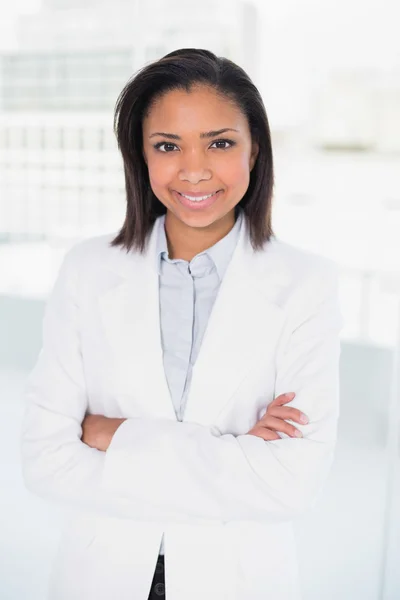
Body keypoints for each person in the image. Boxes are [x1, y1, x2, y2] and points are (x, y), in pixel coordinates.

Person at [20, 48, 344, 600]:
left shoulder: (306, 284)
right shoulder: (88, 271)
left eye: (220, 143)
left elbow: (294, 483)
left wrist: (112, 434)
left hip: (238, 581)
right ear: (140, 156)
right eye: (168, 146)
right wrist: (235, 457)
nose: (194, 170)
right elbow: (43, 460)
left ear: (255, 148)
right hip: (100, 576)